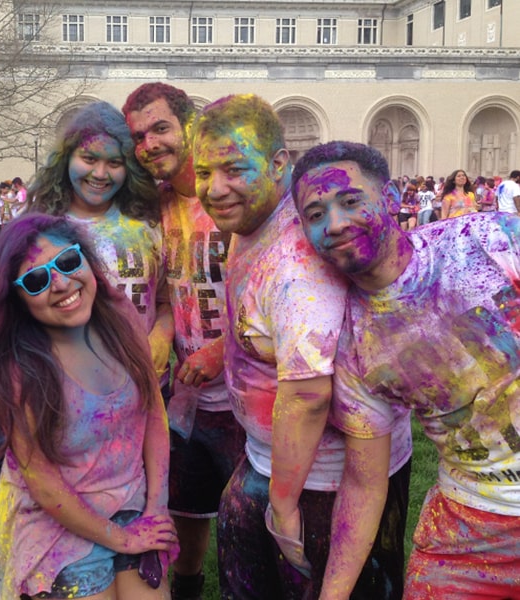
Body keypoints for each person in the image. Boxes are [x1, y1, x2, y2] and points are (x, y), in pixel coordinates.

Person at [191, 94, 412, 600]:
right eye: (204, 171)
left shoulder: (297, 266)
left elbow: (310, 394)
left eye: (232, 169)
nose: (215, 188)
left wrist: (284, 501)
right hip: (271, 462)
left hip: (325, 488)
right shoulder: (253, 223)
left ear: (276, 165)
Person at [292, 140, 520, 600]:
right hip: (470, 529)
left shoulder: (491, 240)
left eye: (350, 201)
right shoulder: (353, 347)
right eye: (316, 215)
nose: (335, 224)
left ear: (392, 200)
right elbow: (364, 483)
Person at [0, 213, 178, 599]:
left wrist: (156, 510)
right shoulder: (19, 367)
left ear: (85, 259)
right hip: (59, 522)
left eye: (66, 262)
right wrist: (122, 539)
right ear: (17, 299)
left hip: (131, 503)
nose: (61, 283)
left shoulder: (121, 317)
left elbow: (153, 415)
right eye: (36, 279)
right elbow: (44, 486)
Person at [123, 82, 245, 600]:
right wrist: (165, 330)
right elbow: (172, 295)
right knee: (188, 515)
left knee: (254, 522)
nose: (149, 143)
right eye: (139, 136)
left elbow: (278, 290)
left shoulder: (232, 197)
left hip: (251, 398)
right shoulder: (159, 207)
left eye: (160, 128)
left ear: (189, 125)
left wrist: (225, 348)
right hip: (188, 401)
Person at [28, 101, 173, 382]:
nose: (100, 174)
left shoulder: (147, 224)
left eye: (114, 163)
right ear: (67, 158)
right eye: (89, 159)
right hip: (72, 391)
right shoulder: (40, 229)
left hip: (147, 384)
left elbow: (167, 300)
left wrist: (162, 337)